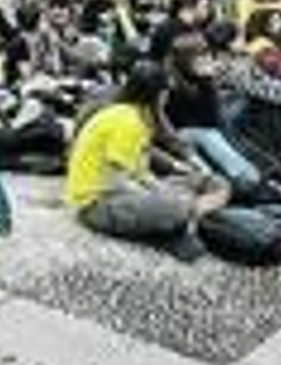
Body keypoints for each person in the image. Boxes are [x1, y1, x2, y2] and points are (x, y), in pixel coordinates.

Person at [65, 60, 230, 260]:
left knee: (214, 183)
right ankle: (192, 217)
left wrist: (170, 177)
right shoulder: (128, 121)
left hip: (129, 191)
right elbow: (118, 182)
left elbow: (141, 167)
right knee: (178, 204)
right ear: (157, 95)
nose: (167, 97)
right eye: (165, 92)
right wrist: (164, 193)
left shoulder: (135, 115)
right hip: (97, 204)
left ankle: (190, 218)